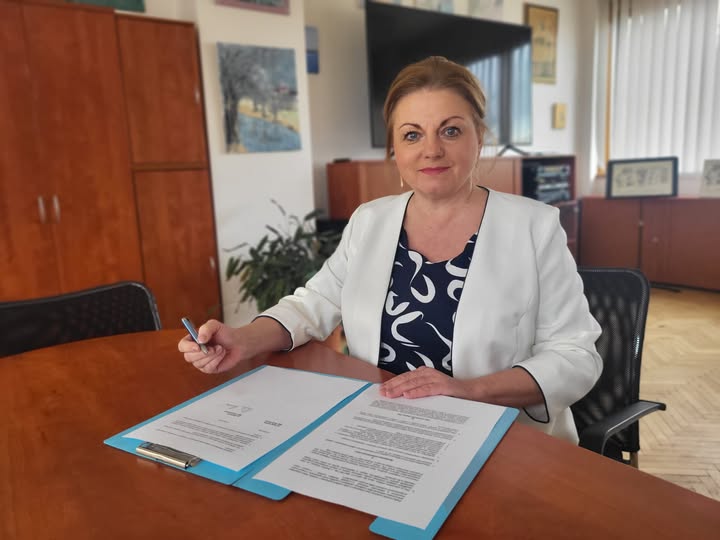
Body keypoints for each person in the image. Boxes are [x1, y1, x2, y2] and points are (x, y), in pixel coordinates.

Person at [179, 56, 602, 443]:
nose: (431, 149)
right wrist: (242, 339)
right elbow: (313, 304)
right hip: (383, 431)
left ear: (479, 138)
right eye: (412, 135)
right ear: (395, 151)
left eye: (451, 130)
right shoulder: (371, 220)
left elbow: (575, 355)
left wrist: (469, 390)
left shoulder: (534, 227)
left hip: (501, 440)